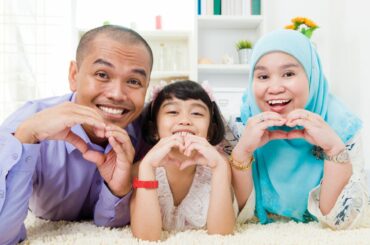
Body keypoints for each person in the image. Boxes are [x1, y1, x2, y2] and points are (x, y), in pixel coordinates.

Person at [0, 25, 153, 244]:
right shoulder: (28, 122)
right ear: (74, 75)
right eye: (102, 74)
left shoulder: (149, 127)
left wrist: (118, 190)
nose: (117, 94)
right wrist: (27, 138)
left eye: (133, 81)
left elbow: (218, 141)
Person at [230, 29, 368, 229]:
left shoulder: (341, 126)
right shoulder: (241, 122)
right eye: (263, 76)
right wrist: (242, 152)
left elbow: (341, 220)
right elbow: (236, 216)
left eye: (288, 74)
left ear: (312, 75)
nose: (275, 87)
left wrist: (334, 150)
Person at [130, 80, 237, 241]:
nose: (185, 120)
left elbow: (222, 235)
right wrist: (147, 167)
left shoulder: (218, 166)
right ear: (154, 130)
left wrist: (220, 167)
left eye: (197, 113)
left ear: (210, 130)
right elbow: (146, 237)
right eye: (173, 112)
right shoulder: (141, 169)